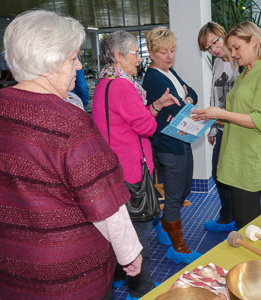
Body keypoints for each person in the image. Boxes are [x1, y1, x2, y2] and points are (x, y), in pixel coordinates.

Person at [0, 10, 143, 300]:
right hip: (68, 276)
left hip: (11, 263)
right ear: (50, 63)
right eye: (73, 58)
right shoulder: (69, 122)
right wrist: (130, 253)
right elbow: (105, 204)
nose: (79, 66)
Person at [91, 31, 180, 300]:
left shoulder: (106, 84)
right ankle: (141, 289)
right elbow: (146, 126)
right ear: (118, 56)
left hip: (114, 168)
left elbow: (131, 118)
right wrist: (153, 113)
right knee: (138, 235)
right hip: (131, 171)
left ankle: (118, 278)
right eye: (135, 53)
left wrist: (154, 105)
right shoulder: (122, 86)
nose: (139, 59)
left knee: (119, 230)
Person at [192, 21, 261, 230]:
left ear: (253, 41)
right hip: (239, 154)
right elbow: (240, 113)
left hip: (251, 156)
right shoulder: (245, 73)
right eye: (231, 48)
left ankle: (257, 260)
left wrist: (221, 113)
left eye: (236, 48)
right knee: (246, 217)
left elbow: (259, 119)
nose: (232, 54)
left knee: (247, 220)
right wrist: (212, 117)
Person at [142, 26, 202, 264]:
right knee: (176, 194)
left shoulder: (170, 73)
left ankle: (163, 222)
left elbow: (192, 95)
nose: (169, 56)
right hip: (168, 144)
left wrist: (186, 99)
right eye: (163, 52)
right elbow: (177, 109)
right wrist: (184, 103)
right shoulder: (154, 78)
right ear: (152, 53)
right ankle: (178, 248)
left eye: (172, 50)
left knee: (184, 189)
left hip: (182, 139)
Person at [197, 22, 239, 232]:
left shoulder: (240, 62)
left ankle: (236, 219)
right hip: (221, 127)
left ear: (225, 35)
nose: (213, 49)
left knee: (234, 176)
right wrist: (212, 128)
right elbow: (214, 97)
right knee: (218, 173)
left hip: (238, 128)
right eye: (208, 48)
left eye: (215, 41)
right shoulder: (217, 64)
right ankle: (227, 217)